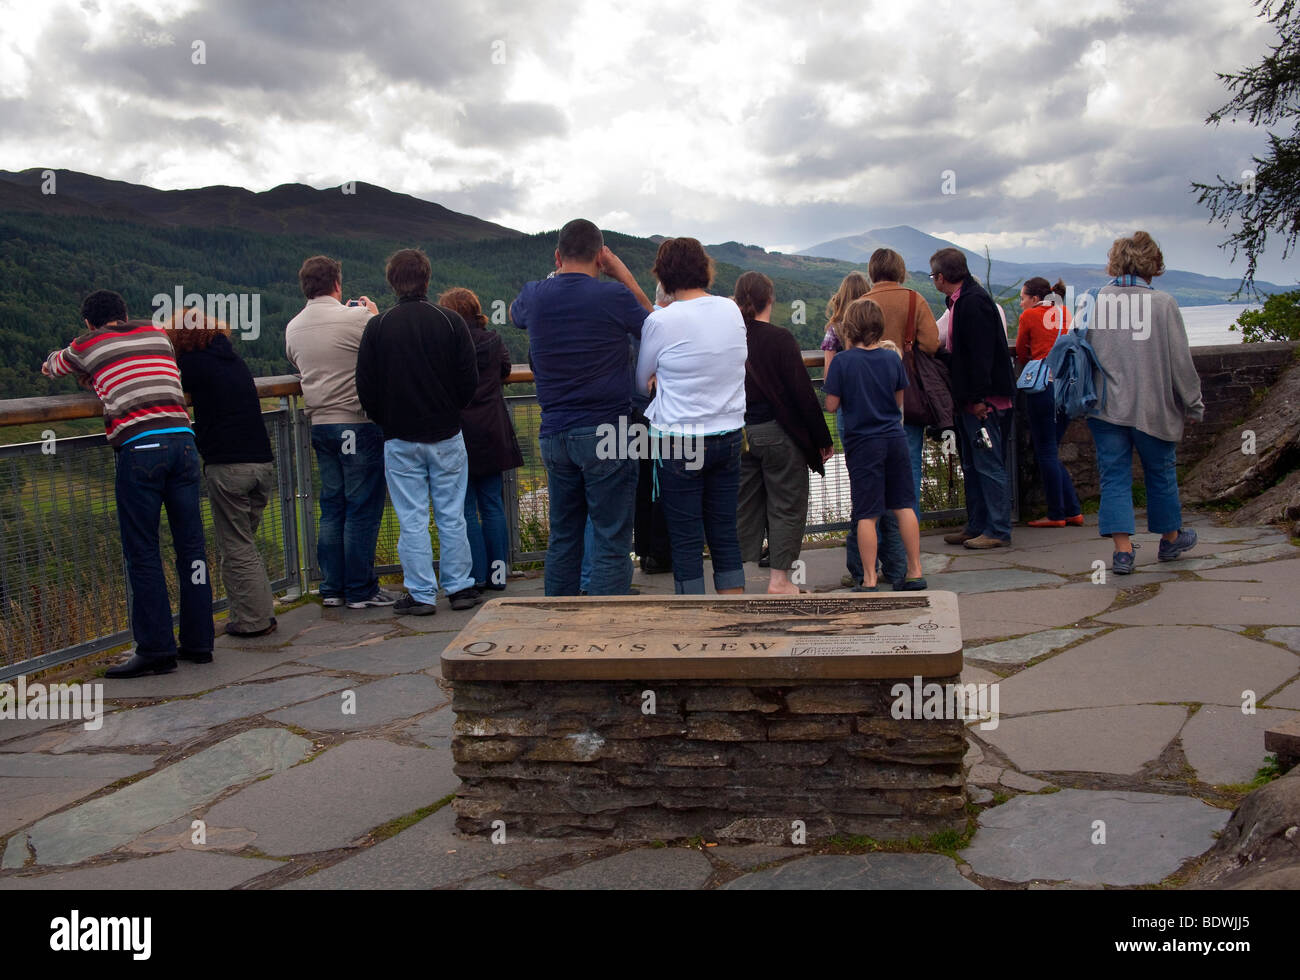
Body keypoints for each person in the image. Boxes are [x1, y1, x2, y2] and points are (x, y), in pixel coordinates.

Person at [42, 290, 213, 677]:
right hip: (184, 443)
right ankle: (200, 643)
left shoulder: (87, 342)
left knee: (144, 553)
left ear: (89, 323)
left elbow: (51, 367)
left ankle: (155, 650)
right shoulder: (156, 333)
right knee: (192, 548)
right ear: (124, 313)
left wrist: (87, 369)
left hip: (141, 449)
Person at [510, 219, 652, 596]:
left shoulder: (534, 294)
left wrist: (551, 279)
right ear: (600, 259)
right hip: (609, 430)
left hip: (554, 431)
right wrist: (624, 277)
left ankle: (558, 631)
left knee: (564, 537)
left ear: (557, 256)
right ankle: (604, 636)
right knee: (610, 538)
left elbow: (514, 314)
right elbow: (657, 328)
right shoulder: (613, 297)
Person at [356, 249, 482, 614]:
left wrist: (387, 419)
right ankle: (459, 588)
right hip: (446, 434)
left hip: (400, 436)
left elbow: (365, 387)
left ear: (392, 282)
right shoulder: (450, 322)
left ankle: (422, 594)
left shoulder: (378, 327)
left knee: (412, 518)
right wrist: (450, 410)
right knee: (451, 513)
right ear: (427, 280)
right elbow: (467, 381)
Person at [1085, 231, 1203, 574]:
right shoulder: (1163, 304)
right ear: (1152, 263)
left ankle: (1123, 552)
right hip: (1153, 406)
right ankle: (1169, 540)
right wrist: (1193, 404)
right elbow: (1181, 362)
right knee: (1161, 474)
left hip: (1105, 408)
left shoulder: (1092, 302)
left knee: (1114, 477)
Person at [636, 237, 748, 595]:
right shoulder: (731, 309)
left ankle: (695, 626)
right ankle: (733, 618)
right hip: (729, 434)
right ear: (705, 269)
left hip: (679, 441)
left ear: (664, 274)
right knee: (724, 533)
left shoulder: (661, 321)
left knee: (685, 542)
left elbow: (642, 381)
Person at [285, 256, 394, 610]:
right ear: (337, 284)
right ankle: (361, 589)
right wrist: (374, 314)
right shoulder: (358, 318)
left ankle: (332, 588)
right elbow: (387, 345)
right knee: (361, 506)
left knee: (332, 506)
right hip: (357, 423)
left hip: (321, 424)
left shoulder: (293, 327)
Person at [167, 311, 278, 638]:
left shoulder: (191, 367)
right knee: (244, 544)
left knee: (237, 547)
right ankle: (261, 613)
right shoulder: (234, 361)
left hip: (228, 467)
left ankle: (253, 621)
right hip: (262, 463)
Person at [733, 272, 834, 594]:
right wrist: (822, 440)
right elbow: (802, 394)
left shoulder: (727, 338)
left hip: (738, 434)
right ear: (770, 300)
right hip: (777, 434)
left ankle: (735, 579)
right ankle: (779, 582)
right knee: (786, 505)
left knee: (743, 506)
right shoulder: (780, 338)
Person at [822, 297, 927, 591]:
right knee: (904, 505)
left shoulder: (843, 362)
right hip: (894, 439)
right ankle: (915, 572)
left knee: (867, 513)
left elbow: (831, 405)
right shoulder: (892, 359)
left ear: (851, 328)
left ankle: (868, 579)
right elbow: (898, 402)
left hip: (863, 443)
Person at [930, 247, 1017, 549]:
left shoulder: (972, 304)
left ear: (941, 277)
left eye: (933, 276)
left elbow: (980, 357)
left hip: (985, 404)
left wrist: (979, 398)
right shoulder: (965, 301)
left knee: (989, 466)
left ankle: (997, 530)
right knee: (973, 466)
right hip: (974, 401)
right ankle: (978, 524)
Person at [438, 287, 523, 593]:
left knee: (465, 507)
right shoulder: (493, 340)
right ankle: (498, 574)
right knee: (492, 505)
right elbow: (504, 370)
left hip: (457, 432)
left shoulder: (444, 345)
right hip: (491, 431)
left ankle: (475, 577)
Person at [1015, 277, 1083, 528]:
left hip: (1044, 387)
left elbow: (1022, 351)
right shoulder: (1065, 312)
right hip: (1068, 386)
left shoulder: (1030, 316)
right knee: (1051, 450)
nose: (1021, 304)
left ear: (1034, 299)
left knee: (1045, 451)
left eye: (1023, 298)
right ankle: (1073, 510)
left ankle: (1057, 514)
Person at [821, 271, 872, 586]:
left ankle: (858, 567)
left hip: (850, 414)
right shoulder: (874, 327)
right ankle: (890, 562)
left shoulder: (834, 330)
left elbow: (829, 380)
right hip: (880, 413)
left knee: (860, 490)